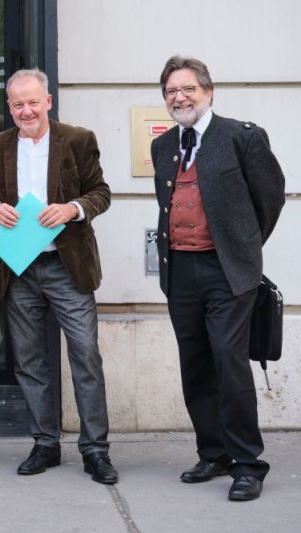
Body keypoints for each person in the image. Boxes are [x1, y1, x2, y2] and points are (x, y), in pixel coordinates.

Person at [151, 56, 285, 501]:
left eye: (187, 88)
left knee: (229, 362)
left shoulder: (242, 137)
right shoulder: (164, 144)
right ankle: (214, 453)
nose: (179, 97)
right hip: (180, 271)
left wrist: (242, 246)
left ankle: (248, 463)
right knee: (196, 366)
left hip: (227, 271)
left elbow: (269, 199)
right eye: (171, 91)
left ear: (208, 91)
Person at [0, 68, 117, 484]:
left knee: (85, 357)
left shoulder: (78, 139)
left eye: (33, 102)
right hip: (19, 266)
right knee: (29, 361)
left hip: (66, 265)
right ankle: (44, 443)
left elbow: (101, 192)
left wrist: (71, 209)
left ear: (48, 101)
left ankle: (95, 450)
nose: (26, 110)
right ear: (10, 106)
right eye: (18, 104)